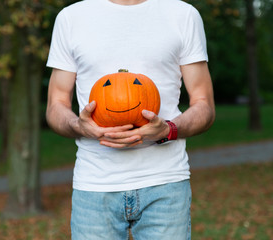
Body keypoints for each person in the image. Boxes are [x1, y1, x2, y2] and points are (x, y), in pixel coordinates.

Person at [46, 0, 215, 239]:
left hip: (165, 183)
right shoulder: (71, 17)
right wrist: (78, 126)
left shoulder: (182, 14)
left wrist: (168, 130)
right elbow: (56, 104)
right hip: (94, 186)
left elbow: (204, 104)